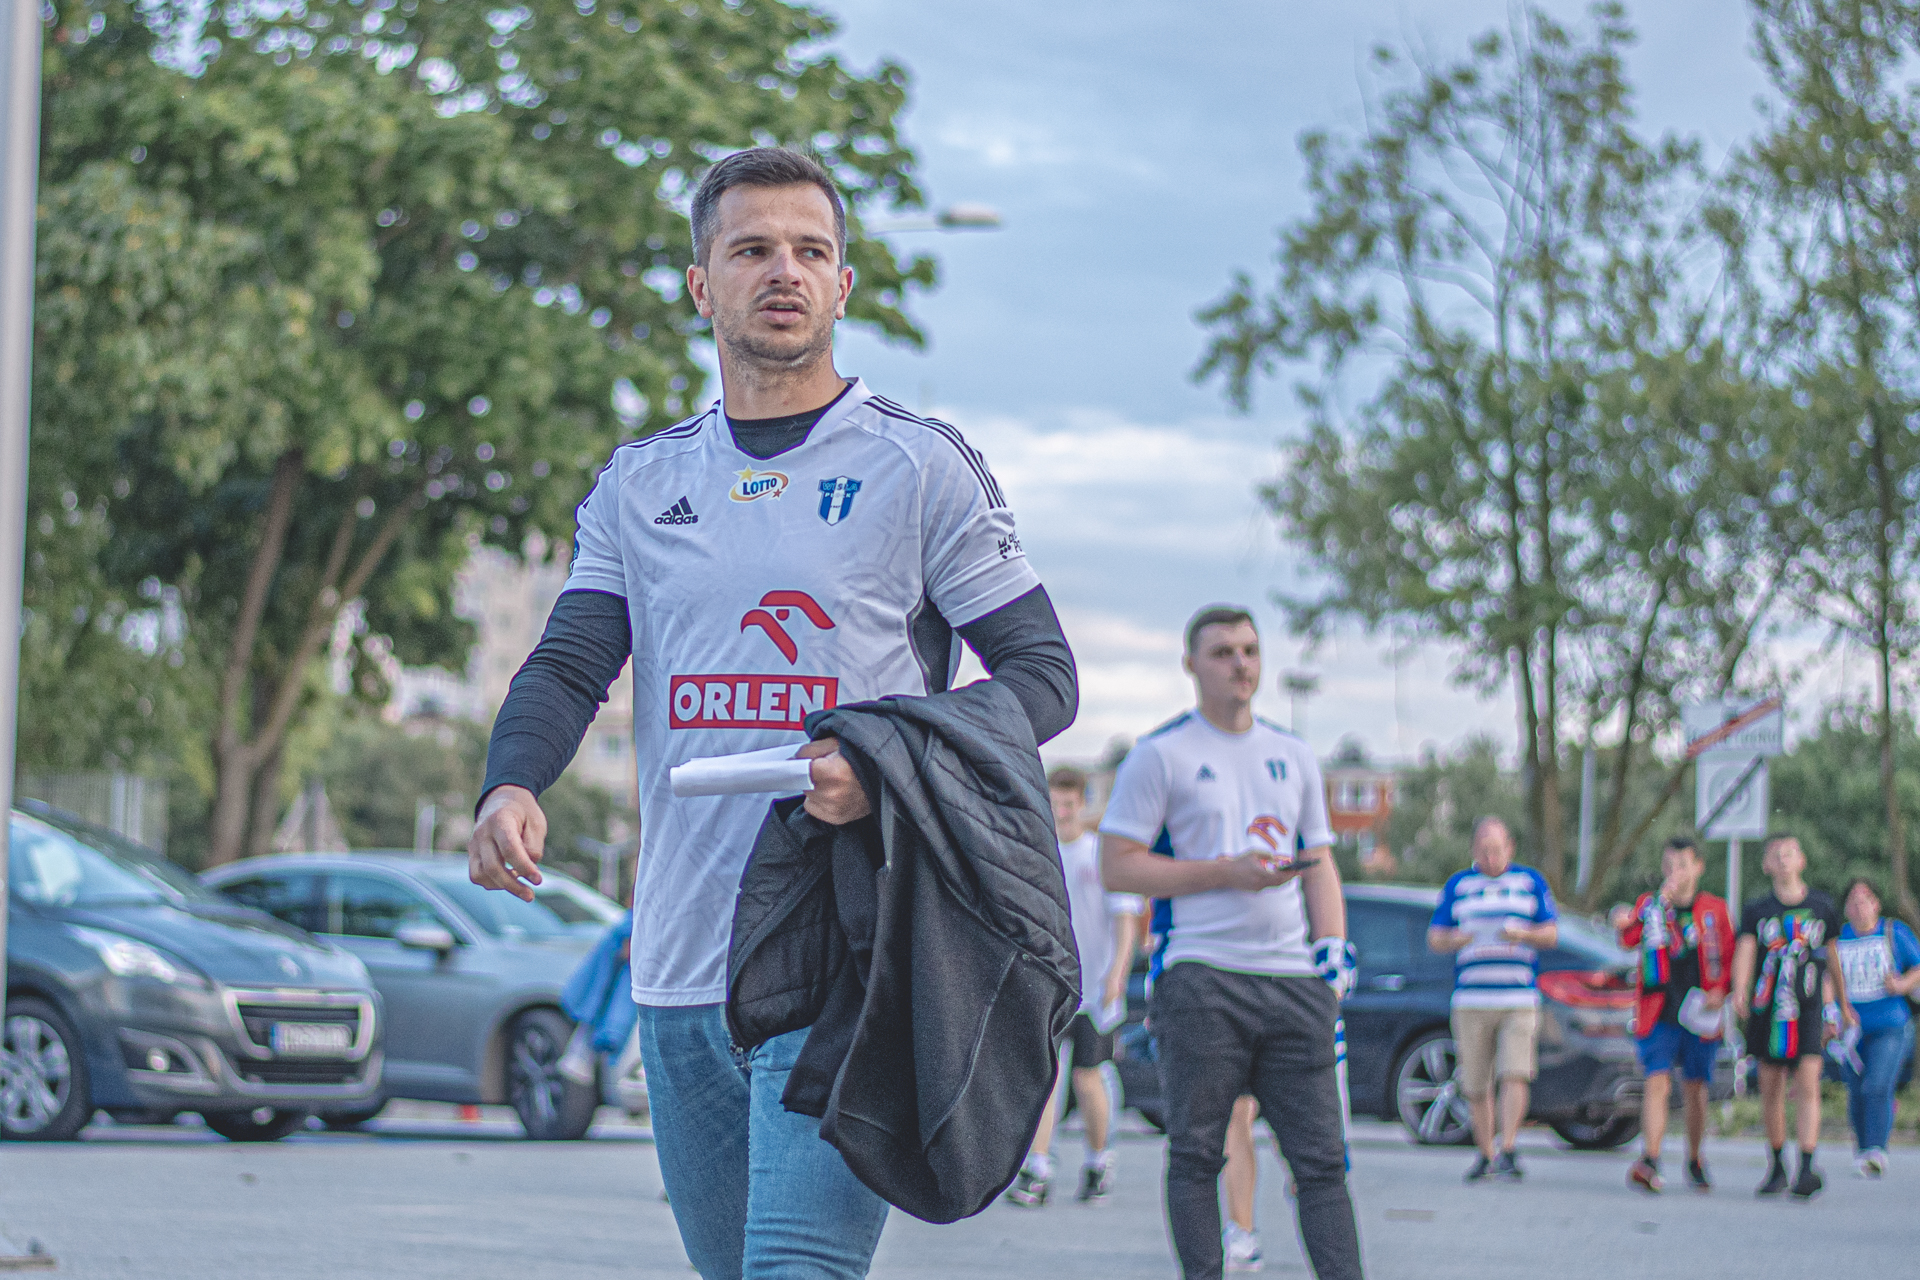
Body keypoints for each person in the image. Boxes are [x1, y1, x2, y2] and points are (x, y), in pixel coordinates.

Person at [465, 147, 1078, 1280]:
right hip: (680, 959)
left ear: (844, 283)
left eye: (810, 249)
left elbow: (1043, 676)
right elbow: (568, 664)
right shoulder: (641, 482)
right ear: (702, 285)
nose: (783, 270)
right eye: (751, 249)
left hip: (847, 941)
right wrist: (511, 783)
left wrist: (883, 760)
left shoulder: (918, 466)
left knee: (797, 1268)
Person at [1101, 605, 1362, 1280]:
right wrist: (1225, 872)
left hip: (1294, 981)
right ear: (1191, 665)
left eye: (1249, 650)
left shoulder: (1293, 754)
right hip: (1202, 975)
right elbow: (1117, 866)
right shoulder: (1161, 755)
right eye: (1222, 652)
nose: (1240, 664)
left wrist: (1332, 952)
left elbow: (1320, 862)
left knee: (1322, 1164)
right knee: (1197, 1154)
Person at [1008, 767, 1141, 1207]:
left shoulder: (1100, 854)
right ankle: (1038, 1168)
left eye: (1068, 804)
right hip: (1050, 985)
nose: (1061, 812)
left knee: (1087, 1076)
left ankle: (1099, 1161)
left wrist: (1117, 974)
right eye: (1054, 803)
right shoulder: (1037, 854)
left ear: (1082, 804)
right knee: (1046, 1078)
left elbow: (1126, 921)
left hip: (1095, 986)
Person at [1426, 817, 1558, 1183]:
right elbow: (1435, 936)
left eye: (1496, 849)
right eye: (1483, 850)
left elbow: (1551, 933)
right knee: (1475, 1080)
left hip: (1517, 995)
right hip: (1471, 997)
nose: (1490, 857)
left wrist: (1523, 934)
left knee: (1515, 1071)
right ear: (1473, 849)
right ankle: (1485, 1152)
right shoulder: (1459, 885)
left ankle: (1509, 1147)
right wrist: (1457, 939)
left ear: (1509, 847)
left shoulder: (1529, 882)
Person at [1731, 834, 1857, 1200]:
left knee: (1808, 1082)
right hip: (1769, 1007)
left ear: (1802, 860)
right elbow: (1746, 949)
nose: (1783, 860)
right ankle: (1776, 1164)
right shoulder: (1757, 910)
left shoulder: (1821, 906)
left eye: (1789, 853)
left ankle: (1806, 1164)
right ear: (1766, 864)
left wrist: (1842, 1005)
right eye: (1776, 855)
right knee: (1770, 1086)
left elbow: (1833, 959)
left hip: (1808, 1006)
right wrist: (1740, 989)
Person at [1609, 837, 1734, 1194]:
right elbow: (1628, 938)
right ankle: (1650, 1159)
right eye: (1668, 865)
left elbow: (1729, 955)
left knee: (1696, 1086)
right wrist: (1643, 911)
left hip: (1700, 1011)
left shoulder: (1714, 909)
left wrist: (1722, 991)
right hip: (1659, 1008)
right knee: (1657, 1079)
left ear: (1698, 867)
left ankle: (1695, 1158)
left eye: (1682, 865)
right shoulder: (1651, 905)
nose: (1674, 872)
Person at [1830, 876, 1920, 1177]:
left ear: (1876, 904)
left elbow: (1918, 966)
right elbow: (1827, 978)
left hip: (1889, 1024)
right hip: (1851, 1029)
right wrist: (1833, 1014)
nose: (1859, 906)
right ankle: (1863, 1149)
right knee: (1856, 1090)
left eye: (1865, 899)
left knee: (1878, 1085)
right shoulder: (1838, 938)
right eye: (1853, 901)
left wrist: (1903, 984)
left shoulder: (1893, 932)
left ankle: (1877, 1149)